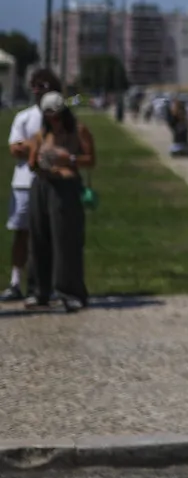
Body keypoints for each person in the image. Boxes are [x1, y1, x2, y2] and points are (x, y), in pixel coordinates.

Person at [26, 91, 95, 311]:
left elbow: (91, 159)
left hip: (66, 187)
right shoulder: (41, 134)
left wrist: (70, 158)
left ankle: (70, 291)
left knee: (66, 240)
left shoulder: (79, 131)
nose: (52, 120)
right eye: (48, 116)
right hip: (43, 186)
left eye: (56, 116)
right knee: (38, 238)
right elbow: (31, 163)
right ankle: (40, 291)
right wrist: (37, 159)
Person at [3, 69, 60, 302]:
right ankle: (15, 282)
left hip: (53, 181)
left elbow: (67, 144)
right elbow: (14, 149)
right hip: (25, 183)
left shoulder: (60, 117)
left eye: (42, 85)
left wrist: (31, 146)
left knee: (51, 235)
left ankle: (50, 284)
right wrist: (40, 145)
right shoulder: (24, 117)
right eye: (34, 85)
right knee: (21, 233)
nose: (36, 89)